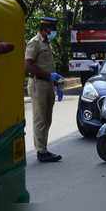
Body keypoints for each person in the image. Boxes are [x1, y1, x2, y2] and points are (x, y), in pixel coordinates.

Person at [25, 17, 63, 162]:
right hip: (38, 84)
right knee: (40, 119)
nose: (54, 32)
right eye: (52, 29)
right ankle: (41, 151)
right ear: (45, 29)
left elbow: (47, 65)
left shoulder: (47, 43)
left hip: (47, 84)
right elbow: (28, 65)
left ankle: (44, 148)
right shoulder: (34, 43)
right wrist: (48, 75)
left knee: (47, 118)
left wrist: (57, 83)